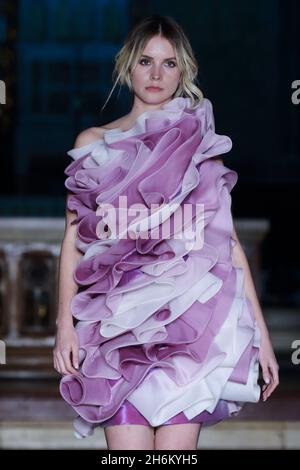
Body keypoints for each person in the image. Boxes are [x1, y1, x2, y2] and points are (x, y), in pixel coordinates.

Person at [53, 14, 279, 451]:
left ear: (184, 71)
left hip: (184, 325)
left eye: (169, 63)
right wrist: (65, 323)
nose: (156, 74)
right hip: (114, 325)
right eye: (145, 61)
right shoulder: (93, 142)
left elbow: (228, 246)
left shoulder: (200, 149)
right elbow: (72, 240)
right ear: (127, 66)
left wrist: (262, 340)